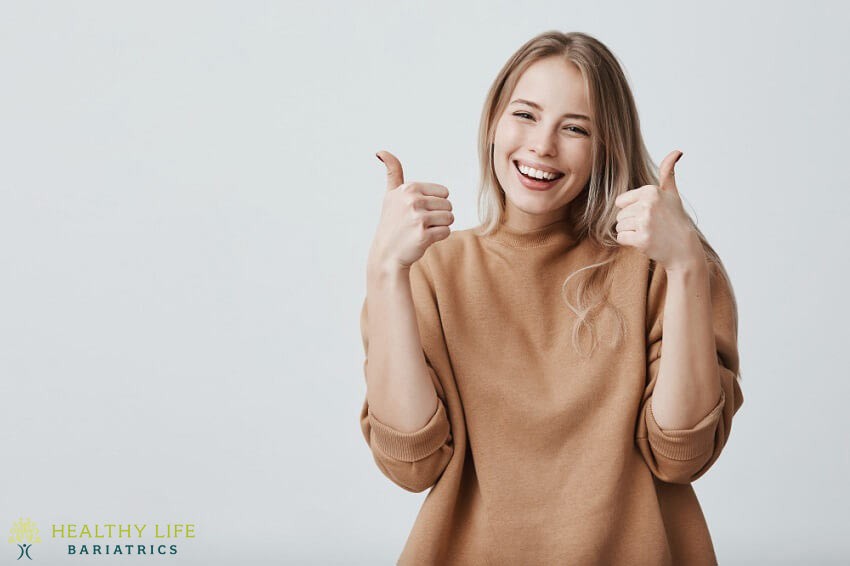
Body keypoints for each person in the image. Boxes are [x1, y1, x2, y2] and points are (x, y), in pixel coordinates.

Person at [358, 30, 743, 566]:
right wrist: (384, 271)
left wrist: (685, 269)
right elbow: (411, 464)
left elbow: (681, 454)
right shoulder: (432, 270)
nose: (542, 145)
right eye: (525, 115)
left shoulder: (665, 264)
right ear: (493, 123)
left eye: (575, 128)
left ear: (606, 144)